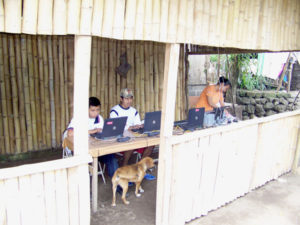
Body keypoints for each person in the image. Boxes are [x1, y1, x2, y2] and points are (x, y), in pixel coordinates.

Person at [64, 97, 118, 178]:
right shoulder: (79, 117)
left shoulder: (99, 119)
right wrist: (91, 131)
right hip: (81, 150)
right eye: (93, 110)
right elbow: (70, 133)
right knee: (83, 164)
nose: (96, 113)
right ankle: (84, 188)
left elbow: (102, 133)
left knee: (112, 159)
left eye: (98, 110)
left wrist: (104, 131)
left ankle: (118, 186)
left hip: (96, 149)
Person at [110, 88, 155, 180]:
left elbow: (137, 124)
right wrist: (129, 128)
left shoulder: (133, 111)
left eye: (130, 98)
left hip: (134, 136)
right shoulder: (115, 111)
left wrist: (140, 125)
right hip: (121, 139)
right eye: (126, 99)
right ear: (121, 99)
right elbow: (116, 127)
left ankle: (140, 169)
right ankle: (123, 170)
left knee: (151, 144)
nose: (129, 101)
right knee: (131, 144)